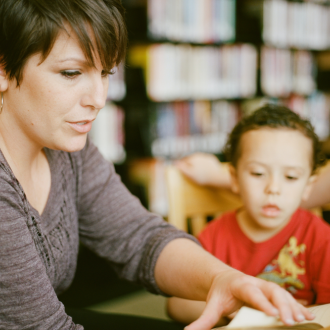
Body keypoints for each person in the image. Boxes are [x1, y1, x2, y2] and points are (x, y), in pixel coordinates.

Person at [0, 1, 313, 329]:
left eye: (105, 73)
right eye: (71, 73)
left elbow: (139, 238)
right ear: (5, 69)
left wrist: (223, 279)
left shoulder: (68, 150)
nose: (99, 98)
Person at [169, 105, 330, 326]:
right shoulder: (216, 235)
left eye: (291, 177)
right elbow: (176, 305)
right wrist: (237, 308)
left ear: (308, 186)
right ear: (234, 178)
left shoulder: (320, 237)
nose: (273, 188)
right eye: (258, 173)